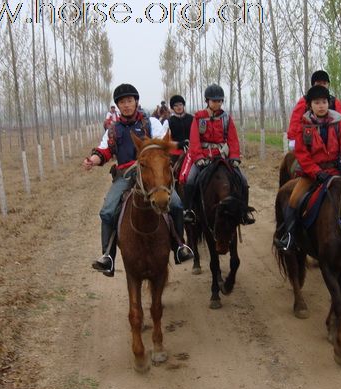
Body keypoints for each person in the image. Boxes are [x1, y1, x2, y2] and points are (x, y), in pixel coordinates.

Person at [83, 83, 193, 276]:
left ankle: (179, 245)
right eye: (122, 102)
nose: (126, 105)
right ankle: (108, 256)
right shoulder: (113, 130)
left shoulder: (151, 123)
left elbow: (162, 144)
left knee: (175, 204)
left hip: (151, 172)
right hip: (126, 175)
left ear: (136, 102)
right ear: (118, 106)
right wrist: (93, 160)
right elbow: (104, 151)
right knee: (108, 211)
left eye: (129, 101)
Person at [274, 85, 341, 252]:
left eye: (324, 102)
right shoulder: (303, 125)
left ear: (328, 103)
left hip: (335, 172)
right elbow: (301, 153)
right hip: (311, 175)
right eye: (317, 102)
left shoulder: (338, 122)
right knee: (293, 200)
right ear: (310, 105)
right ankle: (289, 237)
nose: (321, 106)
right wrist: (316, 172)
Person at [182, 84, 255, 225]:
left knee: (243, 181)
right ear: (207, 101)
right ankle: (188, 211)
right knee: (190, 180)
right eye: (214, 101)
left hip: (222, 157)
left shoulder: (226, 118)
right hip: (203, 157)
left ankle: (243, 212)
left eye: (219, 101)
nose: (217, 103)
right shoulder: (198, 118)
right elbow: (194, 140)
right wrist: (198, 158)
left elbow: (233, 139)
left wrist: (234, 157)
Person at [287, 70, 341, 150]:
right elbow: (295, 120)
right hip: (309, 141)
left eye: (324, 83)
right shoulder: (305, 100)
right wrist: (293, 139)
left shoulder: (334, 101)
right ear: (313, 85)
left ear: (328, 85)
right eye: (319, 83)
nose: (322, 86)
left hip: (331, 142)